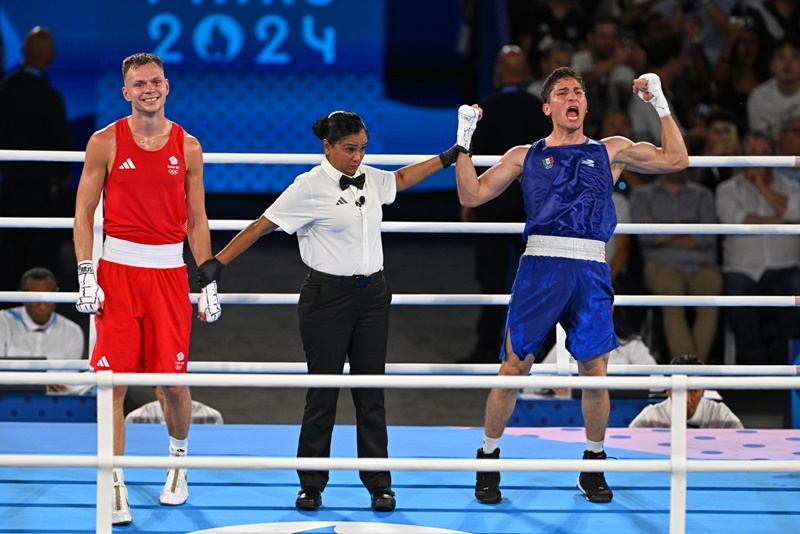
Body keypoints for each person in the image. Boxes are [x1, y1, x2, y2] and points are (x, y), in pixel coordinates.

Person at [196, 110, 456, 513]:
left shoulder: (370, 176)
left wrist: (444, 158)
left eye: (363, 148)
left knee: (372, 394)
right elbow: (261, 225)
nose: (358, 157)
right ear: (328, 147)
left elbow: (400, 179)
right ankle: (311, 485)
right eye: (350, 149)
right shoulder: (308, 187)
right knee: (322, 394)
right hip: (326, 299)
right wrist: (218, 262)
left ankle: (379, 486)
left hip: (373, 296)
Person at [453, 66, 689, 505]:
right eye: (562, 92)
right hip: (540, 266)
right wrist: (464, 139)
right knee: (514, 366)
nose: (572, 96)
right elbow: (471, 195)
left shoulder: (611, 150)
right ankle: (488, 457)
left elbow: (676, 160)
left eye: (578, 90)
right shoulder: (525, 154)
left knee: (596, 373)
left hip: (591, 267)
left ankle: (594, 463)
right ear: (548, 108)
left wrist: (658, 102)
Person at [72, 52, 220, 526]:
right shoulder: (103, 142)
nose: (148, 89)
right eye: (139, 83)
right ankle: (113, 481)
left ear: (167, 86)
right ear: (126, 91)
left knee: (173, 385)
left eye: (155, 81)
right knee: (111, 385)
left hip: (169, 275)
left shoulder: (189, 146)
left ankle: (178, 465)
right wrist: (85, 273)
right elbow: (83, 215)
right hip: (117, 273)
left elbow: (197, 219)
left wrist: (208, 280)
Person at [458, 44, 551, 364]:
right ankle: (541, 348)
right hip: (535, 204)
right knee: (539, 274)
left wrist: (470, 202)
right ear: (526, 73)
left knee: (492, 275)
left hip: (493, 200)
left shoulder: (485, 109)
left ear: (498, 72)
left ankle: (487, 346)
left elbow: (470, 156)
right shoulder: (541, 110)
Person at [715, 130, 800, 365]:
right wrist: (782, 217)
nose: (759, 158)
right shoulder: (727, 189)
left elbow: (797, 211)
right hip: (743, 268)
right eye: (753, 152)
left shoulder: (790, 186)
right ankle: (754, 363)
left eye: (764, 153)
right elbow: (738, 220)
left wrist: (762, 186)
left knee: (798, 289)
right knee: (736, 294)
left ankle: (780, 361)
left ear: (773, 156)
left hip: (785, 267)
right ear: (743, 154)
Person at [0, 27, 73, 292]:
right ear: (50, 56)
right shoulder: (48, 97)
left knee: (7, 258)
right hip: (44, 193)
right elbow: (62, 144)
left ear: (23, 51)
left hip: (9, 190)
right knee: (40, 257)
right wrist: (63, 174)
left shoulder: (4, 90)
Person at [631, 168, 722, 363]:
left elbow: (708, 237)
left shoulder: (703, 194)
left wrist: (662, 229)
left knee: (711, 297)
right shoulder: (642, 195)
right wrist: (689, 227)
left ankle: (693, 367)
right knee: (672, 298)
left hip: (702, 265)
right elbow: (646, 237)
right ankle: (689, 369)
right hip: (661, 265)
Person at [0, 267, 89, 395]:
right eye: (35, 299)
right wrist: (39, 383)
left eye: (48, 297)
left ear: (56, 293)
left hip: (56, 399)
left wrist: (48, 384)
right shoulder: (3, 321)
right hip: (10, 395)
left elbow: (68, 382)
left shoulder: (72, 331)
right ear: (23, 297)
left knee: (93, 383)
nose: (42, 306)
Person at [629, 354, 744, 429]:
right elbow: (629, 449)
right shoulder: (650, 417)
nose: (687, 400)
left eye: (694, 391)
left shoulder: (720, 415)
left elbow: (743, 447)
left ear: (703, 391)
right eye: (681, 391)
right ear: (668, 390)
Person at [126, 387, 224, 425]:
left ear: (189, 389)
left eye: (179, 392)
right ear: (155, 392)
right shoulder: (135, 418)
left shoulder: (212, 417)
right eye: (163, 393)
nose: (171, 398)